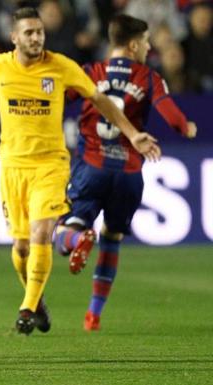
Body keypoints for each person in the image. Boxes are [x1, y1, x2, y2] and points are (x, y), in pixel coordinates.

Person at [0, 7, 161, 335]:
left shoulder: (61, 67)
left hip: (50, 165)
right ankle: (36, 301)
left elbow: (101, 100)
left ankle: (25, 309)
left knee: (40, 235)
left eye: (40, 32)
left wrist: (132, 134)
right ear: (14, 37)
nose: (36, 37)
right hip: (12, 166)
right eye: (29, 32)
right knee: (21, 248)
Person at [53, 14, 197, 331]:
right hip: (129, 174)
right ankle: (93, 314)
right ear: (133, 45)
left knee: (62, 231)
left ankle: (79, 236)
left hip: (91, 166)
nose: (148, 48)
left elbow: (56, 98)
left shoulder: (90, 72)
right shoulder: (149, 77)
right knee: (113, 238)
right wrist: (187, 127)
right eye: (145, 42)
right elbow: (173, 119)